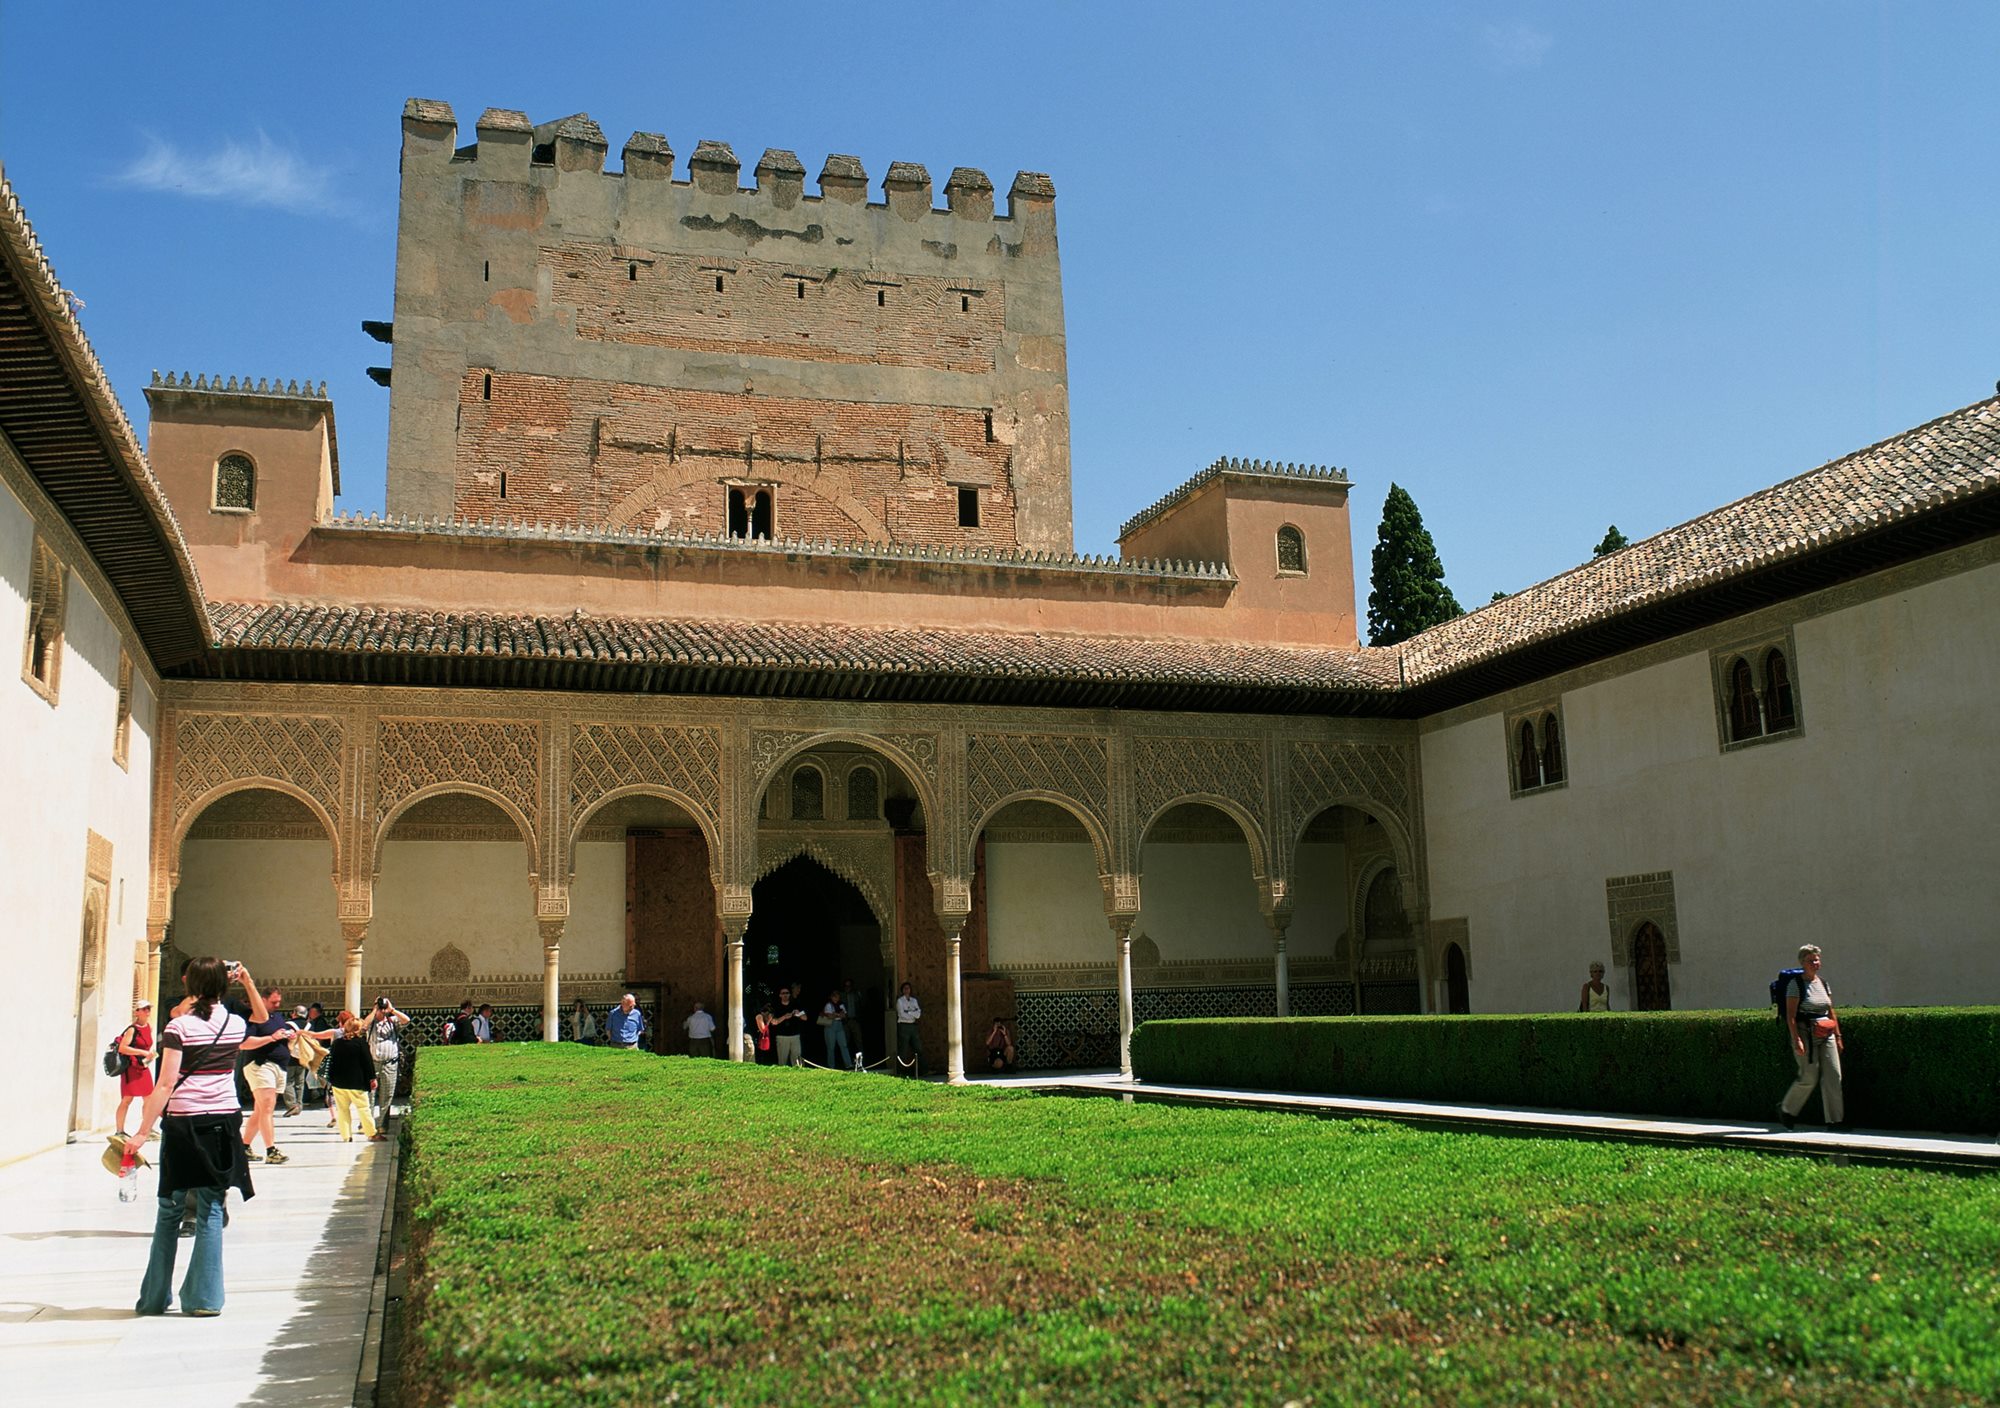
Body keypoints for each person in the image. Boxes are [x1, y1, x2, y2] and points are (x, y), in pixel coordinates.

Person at [129, 957, 264, 1316]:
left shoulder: (179, 1027)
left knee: (170, 1209)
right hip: (222, 1122)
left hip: (183, 1123)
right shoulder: (235, 1023)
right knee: (211, 1208)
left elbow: (167, 1082)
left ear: (190, 987)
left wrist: (142, 1132)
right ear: (224, 986)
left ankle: (155, 1298)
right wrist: (247, 981)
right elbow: (261, 1020)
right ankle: (205, 1299)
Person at [1778, 943, 1846, 1130]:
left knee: (1834, 1075)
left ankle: (1835, 1121)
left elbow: (1830, 1010)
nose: (1815, 963)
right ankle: (1787, 1110)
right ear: (1802, 963)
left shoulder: (1823, 983)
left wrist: (1838, 1036)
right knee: (1809, 1077)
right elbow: (1791, 1016)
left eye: (1817, 959)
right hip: (1805, 1032)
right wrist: (1796, 1039)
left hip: (1826, 1032)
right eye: (1810, 960)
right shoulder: (1796, 984)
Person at [240, 988, 295, 1165]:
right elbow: (244, 1044)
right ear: (262, 1000)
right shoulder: (254, 1018)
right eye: (273, 1002)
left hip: (279, 1067)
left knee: (261, 1109)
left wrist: (289, 1037)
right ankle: (271, 1150)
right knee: (268, 1107)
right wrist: (271, 1037)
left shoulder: (277, 1017)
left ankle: (243, 1147)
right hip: (261, 1065)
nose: (277, 1005)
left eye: (278, 1002)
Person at [325, 1015, 387, 1142]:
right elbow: (367, 1062)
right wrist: (372, 1078)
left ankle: (346, 1136)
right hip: (356, 1082)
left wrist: (331, 1079)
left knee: (342, 1110)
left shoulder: (337, 1043)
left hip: (338, 1083)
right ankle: (371, 1133)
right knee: (363, 1108)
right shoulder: (360, 1043)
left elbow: (332, 1062)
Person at [114, 998, 156, 1135]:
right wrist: (142, 1052)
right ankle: (119, 1130)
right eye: (144, 1009)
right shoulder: (132, 1029)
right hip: (131, 1068)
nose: (147, 1011)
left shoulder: (149, 1027)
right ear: (137, 1012)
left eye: (148, 1008)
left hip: (143, 1067)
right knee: (127, 1099)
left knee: (149, 1098)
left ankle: (146, 1129)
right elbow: (122, 1048)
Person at [366, 997, 409, 1125]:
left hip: (390, 1063)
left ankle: (382, 1124)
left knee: (387, 1095)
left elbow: (407, 1020)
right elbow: (363, 1025)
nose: (382, 1009)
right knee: (369, 1095)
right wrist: (375, 1010)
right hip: (373, 1063)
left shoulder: (392, 1021)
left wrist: (392, 1009)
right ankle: (368, 1123)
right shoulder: (371, 1022)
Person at [282, 1003, 313, 1117]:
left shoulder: (288, 1025)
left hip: (290, 1057)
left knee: (288, 1082)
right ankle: (299, 1105)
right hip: (303, 1056)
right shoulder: (310, 1025)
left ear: (294, 1013)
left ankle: (292, 1105)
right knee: (300, 1083)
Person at [771, 987, 808, 1067]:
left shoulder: (796, 1004)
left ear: (789, 994)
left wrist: (799, 1014)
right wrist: (784, 1017)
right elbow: (773, 1022)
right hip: (782, 1037)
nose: (785, 995)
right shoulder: (776, 1007)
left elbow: (805, 1018)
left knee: (797, 1060)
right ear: (780, 995)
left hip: (795, 1036)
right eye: (783, 993)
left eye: (787, 993)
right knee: (782, 1061)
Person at [894, 982, 922, 1077]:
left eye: (908, 988)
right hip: (903, 1026)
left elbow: (918, 1014)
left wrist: (909, 1012)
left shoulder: (914, 1000)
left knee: (918, 1048)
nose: (907, 990)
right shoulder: (900, 1001)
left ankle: (922, 1070)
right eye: (905, 988)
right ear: (902, 990)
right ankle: (901, 1071)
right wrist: (912, 1013)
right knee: (903, 1049)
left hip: (913, 1026)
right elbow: (901, 1014)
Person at [821, 987, 853, 1069]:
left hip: (839, 1025)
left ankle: (848, 1064)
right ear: (831, 997)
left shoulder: (841, 1004)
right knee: (831, 1047)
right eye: (834, 996)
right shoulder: (828, 1005)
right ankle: (831, 1066)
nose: (836, 998)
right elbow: (829, 1016)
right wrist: (838, 1015)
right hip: (830, 1026)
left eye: (837, 996)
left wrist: (836, 1014)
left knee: (844, 1045)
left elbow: (844, 1015)